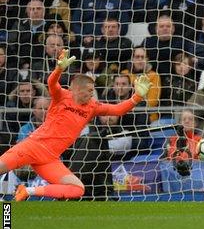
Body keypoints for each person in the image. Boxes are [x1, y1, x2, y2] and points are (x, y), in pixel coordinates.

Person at [0, 49, 151, 201]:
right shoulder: (62, 96)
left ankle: (27, 191)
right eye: (90, 90)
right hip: (32, 147)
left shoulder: (92, 106)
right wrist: (59, 69)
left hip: (50, 158)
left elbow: (118, 110)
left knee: (77, 189)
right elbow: (51, 82)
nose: (93, 94)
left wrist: (137, 96)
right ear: (78, 89)